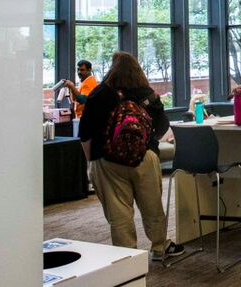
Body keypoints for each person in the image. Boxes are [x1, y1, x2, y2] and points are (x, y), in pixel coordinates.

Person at [78, 51, 184, 261]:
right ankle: (160, 247)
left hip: (107, 160)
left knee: (119, 212)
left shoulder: (100, 93)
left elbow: (85, 133)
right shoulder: (147, 94)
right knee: (152, 205)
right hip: (145, 157)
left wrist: (91, 162)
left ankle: (127, 258)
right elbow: (162, 126)